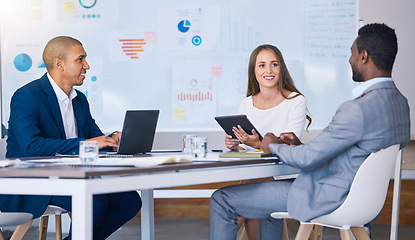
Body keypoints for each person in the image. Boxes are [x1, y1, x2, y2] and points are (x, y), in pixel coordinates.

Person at [209, 23, 410, 240]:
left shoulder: (357, 109)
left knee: (222, 200)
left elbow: (308, 160)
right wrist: (299, 146)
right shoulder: (400, 104)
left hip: (327, 196)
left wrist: (271, 145)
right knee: (262, 188)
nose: (349, 60)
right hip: (366, 202)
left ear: (363, 56)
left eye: (352, 54)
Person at [2, 36, 141, 240]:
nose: (87, 65)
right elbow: (31, 146)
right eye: (80, 59)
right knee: (94, 201)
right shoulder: (27, 96)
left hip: (69, 179)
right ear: (59, 63)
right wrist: (89, 143)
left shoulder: (80, 100)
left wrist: (113, 140)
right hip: (32, 184)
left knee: (130, 201)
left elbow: (95, 138)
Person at [224, 44, 311, 239]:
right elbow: (247, 150)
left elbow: (288, 146)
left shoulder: (296, 101)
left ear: (282, 68)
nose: (269, 70)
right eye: (262, 65)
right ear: (253, 71)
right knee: (253, 183)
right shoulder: (247, 103)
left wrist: (256, 144)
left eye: (274, 64)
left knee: (249, 186)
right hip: (257, 174)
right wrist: (235, 145)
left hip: (286, 175)